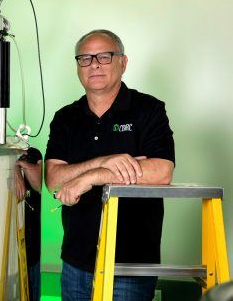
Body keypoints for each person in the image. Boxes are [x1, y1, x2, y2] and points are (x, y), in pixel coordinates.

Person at [44, 29, 175, 301]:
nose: (94, 64)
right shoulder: (65, 118)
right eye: (85, 58)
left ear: (122, 63)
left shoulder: (148, 109)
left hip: (132, 263)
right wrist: (107, 161)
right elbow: (54, 179)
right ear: (78, 67)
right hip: (76, 261)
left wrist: (90, 177)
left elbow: (161, 172)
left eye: (104, 56)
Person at [14, 147, 43, 301]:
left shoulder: (33, 154)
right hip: (9, 250)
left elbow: (38, 185)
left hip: (30, 248)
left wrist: (19, 165)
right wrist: (15, 168)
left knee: (31, 291)